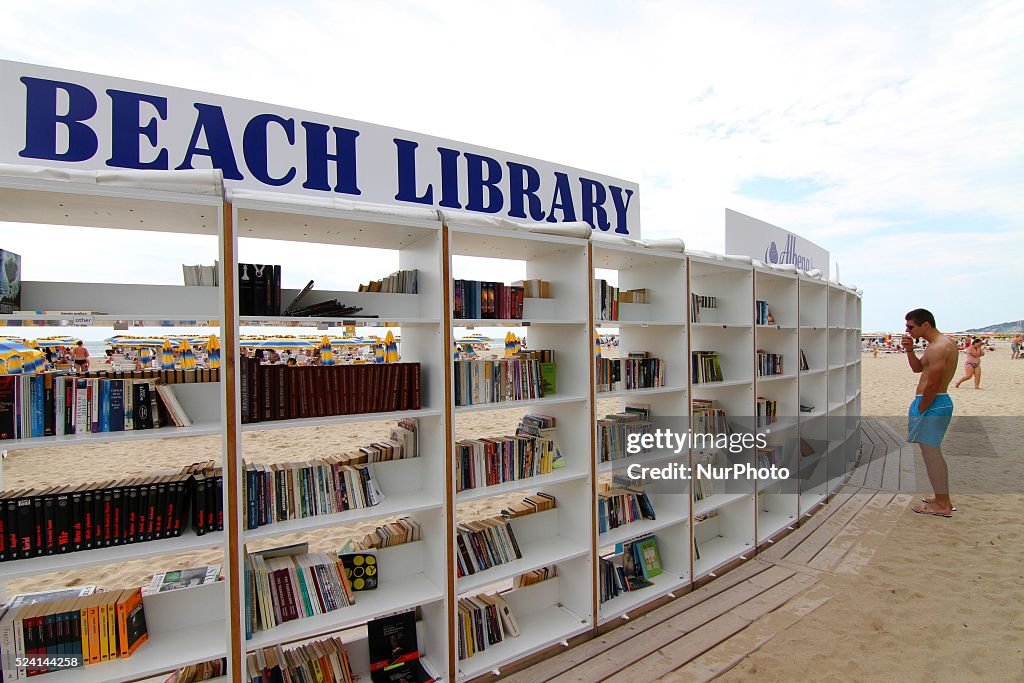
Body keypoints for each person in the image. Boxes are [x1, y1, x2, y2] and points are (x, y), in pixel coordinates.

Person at [902, 308, 959, 517]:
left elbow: (934, 383)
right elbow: (918, 368)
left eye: (911, 326)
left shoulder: (939, 347)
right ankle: (941, 498)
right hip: (934, 402)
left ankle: (943, 504)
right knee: (932, 453)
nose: (907, 330)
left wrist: (922, 407)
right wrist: (910, 350)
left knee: (931, 454)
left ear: (925, 324)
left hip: (933, 402)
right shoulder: (938, 344)